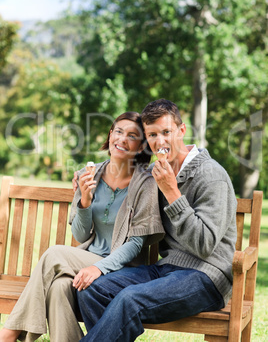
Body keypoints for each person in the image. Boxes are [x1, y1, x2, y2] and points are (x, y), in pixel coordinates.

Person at [76, 99, 238, 342]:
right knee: (93, 290)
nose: (160, 142)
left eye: (166, 132)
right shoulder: (158, 172)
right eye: (152, 135)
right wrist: (84, 186)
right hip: (166, 269)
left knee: (130, 299)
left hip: (206, 276)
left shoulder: (211, 175)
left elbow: (205, 246)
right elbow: (119, 176)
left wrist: (173, 193)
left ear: (181, 131)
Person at [0, 111, 165, 342]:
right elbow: (79, 234)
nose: (122, 139)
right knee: (59, 286)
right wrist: (85, 202)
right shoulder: (89, 174)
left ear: (140, 146)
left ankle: (9, 334)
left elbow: (136, 245)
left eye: (132, 135)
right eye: (118, 132)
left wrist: (99, 268)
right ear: (110, 136)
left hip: (123, 268)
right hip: (87, 259)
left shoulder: (145, 184)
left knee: (55, 253)